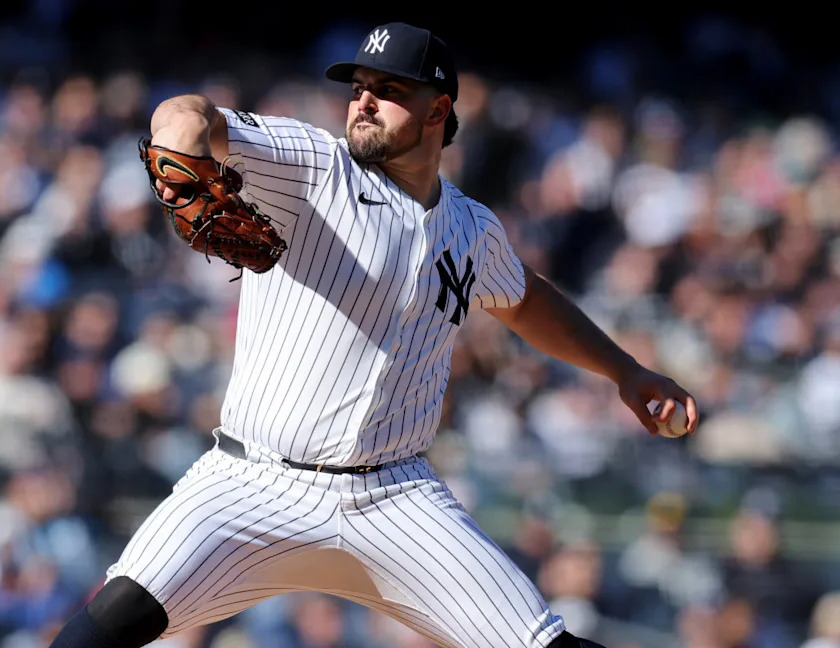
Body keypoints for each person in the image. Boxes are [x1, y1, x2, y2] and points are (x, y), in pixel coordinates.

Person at [49, 21, 699, 648]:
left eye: (388, 89)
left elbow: (526, 301)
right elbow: (189, 114)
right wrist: (182, 132)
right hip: (250, 485)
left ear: (438, 108)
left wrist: (624, 371)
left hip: (393, 498)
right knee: (106, 623)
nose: (364, 100)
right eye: (358, 85)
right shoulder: (312, 165)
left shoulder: (471, 228)